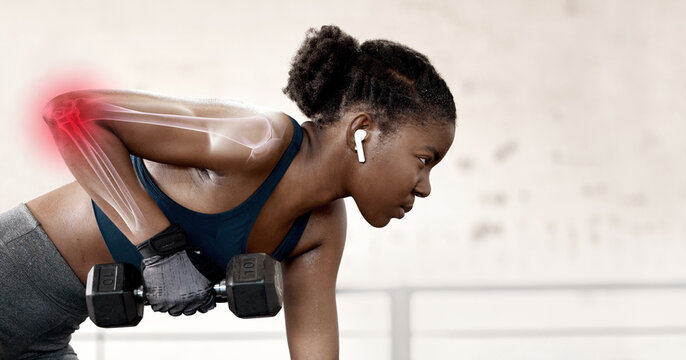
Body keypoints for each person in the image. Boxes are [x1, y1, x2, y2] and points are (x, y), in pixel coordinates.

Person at [0, 25, 456, 359]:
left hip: (44, 337)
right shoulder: (258, 139)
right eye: (425, 159)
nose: (426, 186)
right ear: (363, 133)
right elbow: (71, 114)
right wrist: (160, 249)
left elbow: (315, 352)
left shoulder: (319, 229)